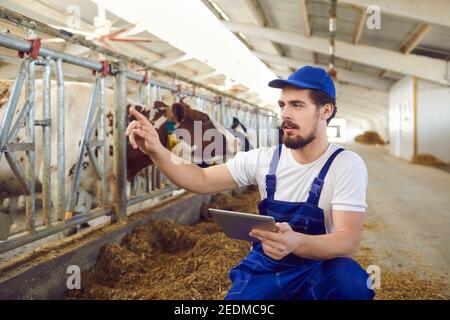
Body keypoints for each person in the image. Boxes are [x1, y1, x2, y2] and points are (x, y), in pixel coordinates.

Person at [125, 66, 375, 300]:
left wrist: (295, 242)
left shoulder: (345, 164)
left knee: (351, 281)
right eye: (283, 105)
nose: (285, 114)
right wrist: (157, 151)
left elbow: (347, 240)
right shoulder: (263, 159)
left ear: (326, 111)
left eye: (297, 105)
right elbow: (199, 179)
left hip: (319, 268)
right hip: (267, 269)